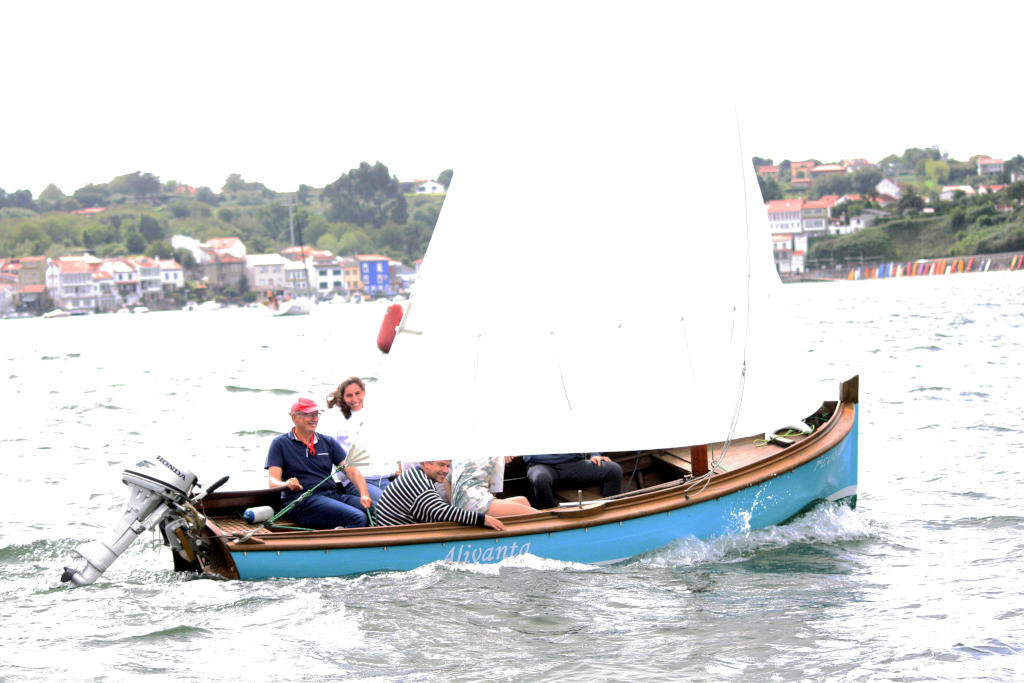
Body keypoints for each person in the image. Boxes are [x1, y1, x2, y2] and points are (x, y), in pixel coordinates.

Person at [264, 397, 374, 529]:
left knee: (375, 509)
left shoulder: (328, 441)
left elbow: (352, 471)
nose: (314, 418)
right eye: (308, 414)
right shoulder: (280, 443)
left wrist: (364, 494)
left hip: (331, 495)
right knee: (357, 517)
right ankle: (339, 540)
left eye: (316, 414)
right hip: (301, 501)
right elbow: (273, 481)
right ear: (294, 417)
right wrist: (286, 483)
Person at [375, 460, 506, 530]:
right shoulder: (419, 483)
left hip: (398, 533)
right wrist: (483, 519)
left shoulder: (417, 473)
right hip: (395, 540)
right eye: (441, 465)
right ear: (427, 464)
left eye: (448, 466)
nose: (446, 470)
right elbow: (441, 511)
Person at [326, 376, 398, 496]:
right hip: (356, 480)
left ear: (364, 392)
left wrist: (395, 468)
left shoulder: (372, 413)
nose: (355, 399)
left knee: (406, 501)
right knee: (388, 503)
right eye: (349, 395)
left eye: (357, 393)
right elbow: (328, 450)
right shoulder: (336, 418)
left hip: (382, 477)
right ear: (343, 397)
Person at [523, 453, 623, 509]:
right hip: (541, 466)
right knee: (540, 479)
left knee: (613, 470)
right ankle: (550, 520)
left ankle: (610, 511)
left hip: (575, 464)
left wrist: (595, 454)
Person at [451, 456, 538, 517]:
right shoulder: (498, 458)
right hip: (476, 505)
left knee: (523, 501)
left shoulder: (460, 457)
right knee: (536, 517)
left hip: (460, 507)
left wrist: (455, 507)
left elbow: (447, 481)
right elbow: (493, 494)